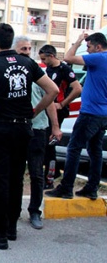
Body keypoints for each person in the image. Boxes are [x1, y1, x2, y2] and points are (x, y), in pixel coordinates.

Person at [0, 23, 58, 250]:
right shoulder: (28, 63)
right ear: (11, 41)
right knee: (16, 178)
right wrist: (34, 111)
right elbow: (53, 91)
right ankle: (11, 228)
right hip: (23, 129)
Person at [46, 32, 107, 201]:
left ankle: (66, 188)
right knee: (95, 151)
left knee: (74, 148)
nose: (87, 51)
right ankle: (92, 188)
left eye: (88, 47)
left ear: (98, 47)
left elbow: (68, 57)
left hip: (90, 113)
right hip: (103, 114)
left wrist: (79, 41)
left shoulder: (100, 57)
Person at [13, 35, 62, 230]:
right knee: (15, 173)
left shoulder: (39, 75)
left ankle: (35, 211)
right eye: (22, 49)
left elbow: (50, 101)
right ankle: (13, 211)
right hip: (16, 130)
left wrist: (55, 126)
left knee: (36, 174)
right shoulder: (12, 74)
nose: (26, 52)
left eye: (28, 49)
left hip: (37, 130)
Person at [38, 44, 82, 187]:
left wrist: (62, 104)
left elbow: (77, 88)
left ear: (51, 55)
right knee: (45, 143)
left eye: (44, 59)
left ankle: (50, 177)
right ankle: (52, 171)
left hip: (58, 110)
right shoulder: (49, 69)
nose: (43, 62)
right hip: (48, 108)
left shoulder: (64, 69)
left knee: (49, 143)